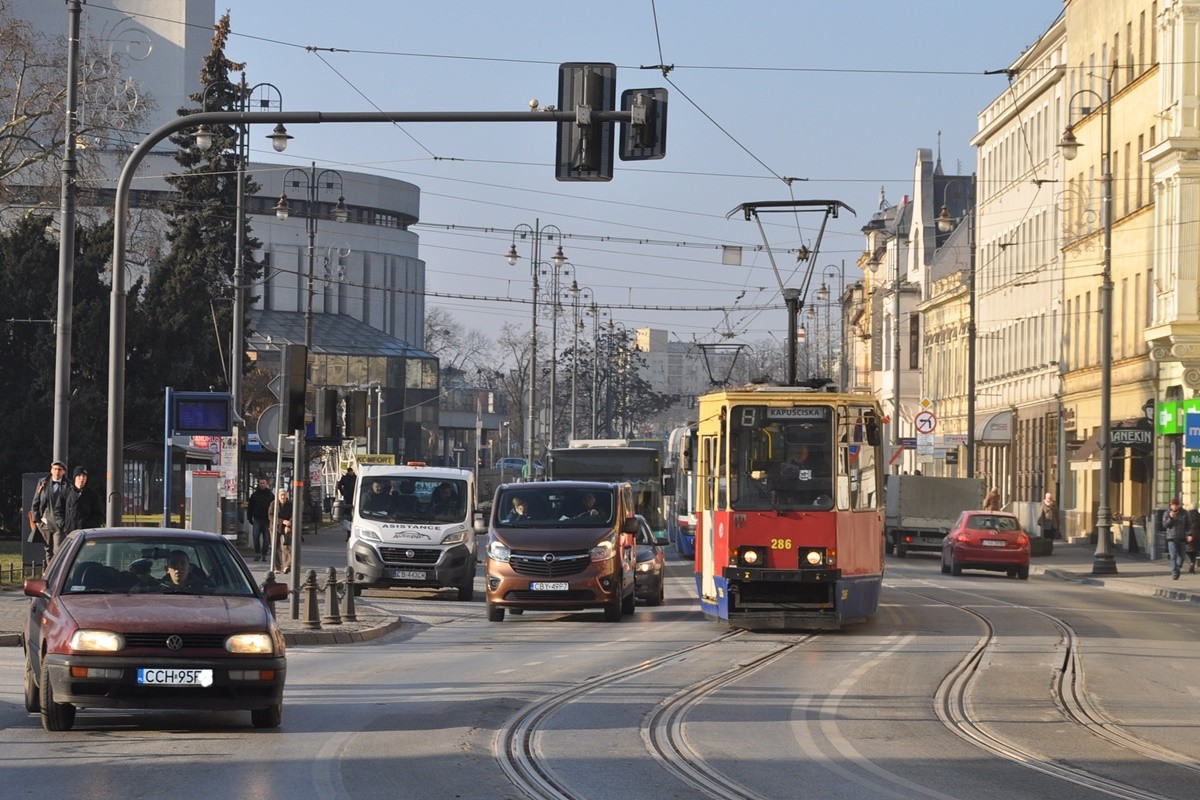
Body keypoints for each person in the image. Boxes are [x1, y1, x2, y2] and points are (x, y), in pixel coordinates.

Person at [28, 460, 68, 562]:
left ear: (64, 471)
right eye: (54, 469)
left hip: (59, 523)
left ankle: (57, 574)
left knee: (58, 550)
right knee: (48, 550)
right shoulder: (43, 482)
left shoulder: (68, 485)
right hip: (44, 523)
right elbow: (36, 502)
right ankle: (49, 574)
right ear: (51, 470)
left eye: (59, 469)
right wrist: (37, 521)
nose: (57, 472)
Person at [63, 466, 103, 538]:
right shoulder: (66, 492)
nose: (82, 479)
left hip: (86, 534)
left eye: (84, 476)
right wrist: (64, 525)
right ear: (75, 478)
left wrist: (88, 526)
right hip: (68, 533)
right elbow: (58, 510)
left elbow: (99, 515)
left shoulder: (93, 494)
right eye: (79, 476)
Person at [247, 477, 274, 562]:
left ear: (266, 484)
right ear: (259, 484)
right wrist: (249, 517)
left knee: (266, 538)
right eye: (261, 483)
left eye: (263, 483)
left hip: (267, 520)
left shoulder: (270, 495)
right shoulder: (254, 495)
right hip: (257, 519)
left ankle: (264, 554)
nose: (262, 485)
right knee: (255, 537)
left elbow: (274, 508)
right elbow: (250, 507)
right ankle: (257, 553)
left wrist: (272, 519)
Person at [1163, 498, 1190, 580]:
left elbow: (1188, 525)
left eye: (1176, 505)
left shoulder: (1184, 513)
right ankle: (1174, 573)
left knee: (1182, 556)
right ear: (1170, 505)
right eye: (1173, 505)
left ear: (1178, 505)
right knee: (1173, 555)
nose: (1174, 507)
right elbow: (1165, 525)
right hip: (1171, 537)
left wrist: (1189, 534)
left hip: (1182, 537)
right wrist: (1170, 518)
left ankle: (1177, 569)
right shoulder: (1167, 513)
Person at [270, 489, 294, 573]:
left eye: (284, 495)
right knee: (275, 548)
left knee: (285, 547)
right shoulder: (273, 504)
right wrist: (282, 521)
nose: (283, 497)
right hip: (275, 527)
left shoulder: (290, 504)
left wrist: (289, 525)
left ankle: (287, 565)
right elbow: (271, 516)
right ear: (278, 496)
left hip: (286, 528)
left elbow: (293, 515)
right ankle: (277, 567)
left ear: (286, 495)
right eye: (281, 495)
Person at [1187, 502, 1200, 575]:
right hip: (1197, 535)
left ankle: (1191, 562)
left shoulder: (1187, 515)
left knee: (1187, 550)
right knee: (1194, 551)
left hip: (1189, 535)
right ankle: (1193, 566)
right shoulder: (1199, 515)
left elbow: (1184, 525)